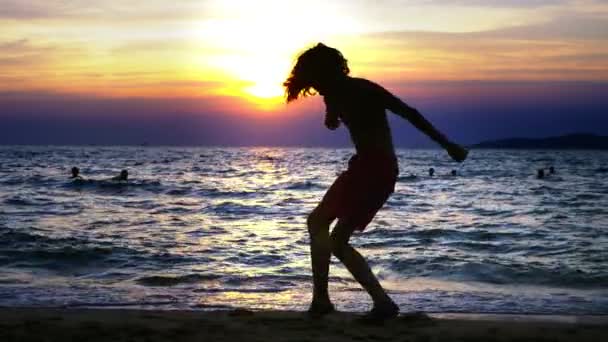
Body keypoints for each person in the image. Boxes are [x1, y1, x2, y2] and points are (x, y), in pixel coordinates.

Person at [284, 43, 468, 321]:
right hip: (362, 167)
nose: (316, 89)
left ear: (328, 72)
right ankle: (323, 300)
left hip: (378, 169)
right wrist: (331, 116)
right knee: (319, 225)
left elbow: (410, 113)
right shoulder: (332, 93)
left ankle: (379, 303)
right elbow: (332, 116)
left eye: (316, 81)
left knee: (335, 238)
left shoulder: (364, 88)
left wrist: (447, 144)